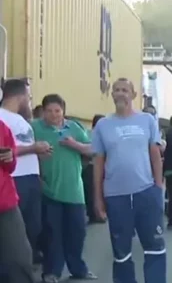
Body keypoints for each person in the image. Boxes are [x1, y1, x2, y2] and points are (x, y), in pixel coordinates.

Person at [91, 78, 167, 283]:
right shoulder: (103, 126)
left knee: (155, 248)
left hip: (146, 192)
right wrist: (98, 199)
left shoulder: (147, 121)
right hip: (116, 197)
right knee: (121, 252)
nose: (120, 93)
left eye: (125, 90)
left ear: (133, 95)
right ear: (112, 95)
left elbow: (155, 155)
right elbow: (98, 163)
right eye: (116, 90)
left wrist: (158, 187)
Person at [31, 94, 97, 282]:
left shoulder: (73, 127)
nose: (54, 115)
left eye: (57, 111)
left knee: (77, 233)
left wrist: (73, 144)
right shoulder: (34, 127)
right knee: (52, 235)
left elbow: (92, 149)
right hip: (49, 190)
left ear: (63, 111)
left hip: (74, 190)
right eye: (49, 111)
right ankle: (52, 272)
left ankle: (78, 269)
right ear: (43, 112)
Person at [0, 79, 52, 266]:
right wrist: (32, 148)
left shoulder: (22, 120)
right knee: (15, 233)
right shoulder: (2, 118)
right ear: (19, 96)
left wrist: (38, 156)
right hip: (14, 180)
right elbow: (5, 152)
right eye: (29, 97)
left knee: (33, 228)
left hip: (31, 180)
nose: (30, 101)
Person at [0, 118, 36, 283]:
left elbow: (11, 165)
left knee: (19, 259)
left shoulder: (2, 127)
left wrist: (10, 157)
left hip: (6, 203)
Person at [82, 115, 106, 224]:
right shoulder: (95, 134)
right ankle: (96, 214)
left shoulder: (88, 133)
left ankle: (94, 213)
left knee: (91, 191)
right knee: (94, 190)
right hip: (92, 166)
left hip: (89, 166)